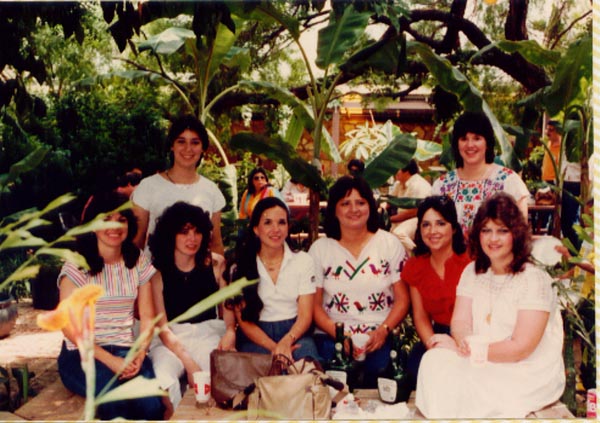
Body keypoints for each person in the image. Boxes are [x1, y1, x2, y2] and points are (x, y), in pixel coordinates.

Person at [415, 193, 565, 418]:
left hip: (523, 369)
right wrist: (463, 345)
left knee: (469, 384)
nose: (493, 239)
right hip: (478, 358)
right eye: (486, 230)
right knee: (432, 360)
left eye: (502, 231)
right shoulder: (472, 271)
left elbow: (521, 348)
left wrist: (470, 351)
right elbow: (460, 322)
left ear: (516, 234)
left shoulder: (535, 279)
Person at [56, 192, 165, 420]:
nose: (114, 227)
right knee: (115, 403)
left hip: (126, 350)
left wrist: (140, 352)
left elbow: (147, 316)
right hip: (82, 355)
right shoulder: (78, 265)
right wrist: (111, 361)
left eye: (121, 220)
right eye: (106, 219)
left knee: (152, 407)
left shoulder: (137, 260)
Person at [309, 176, 410, 388]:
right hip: (332, 337)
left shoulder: (389, 244)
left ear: (370, 207)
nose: (354, 209)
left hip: (379, 336)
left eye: (360, 202)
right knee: (331, 386)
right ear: (334, 209)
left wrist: (383, 330)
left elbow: (402, 300)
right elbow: (315, 306)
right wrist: (339, 335)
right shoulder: (320, 249)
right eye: (345, 203)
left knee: (382, 379)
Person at [147, 202, 236, 412]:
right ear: (171, 235)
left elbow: (227, 310)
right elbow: (163, 328)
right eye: (184, 232)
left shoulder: (215, 264)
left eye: (197, 231)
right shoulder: (156, 273)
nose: (192, 238)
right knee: (163, 380)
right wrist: (190, 365)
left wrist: (230, 332)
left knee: (220, 379)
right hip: (169, 341)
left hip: (207, 334)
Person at [231, 197, 319, 361]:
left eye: (281, 222)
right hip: (257, 336)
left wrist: (286, 342)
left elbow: (305, 315)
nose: (276, 229)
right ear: (256, 229)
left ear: (288, 227)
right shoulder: (241, 266)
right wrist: (275, 348)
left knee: (307, 367)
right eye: (268, 223)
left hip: (295, 333)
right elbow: (244, 321)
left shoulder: (303, 261)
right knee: (261, 371)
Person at [132, 115, 226, 255]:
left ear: (203, 148)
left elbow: (216, 244)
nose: (188, 149)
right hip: (153, 267)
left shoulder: (211, 190)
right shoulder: (148, 187)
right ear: (172, 145)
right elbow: (136, 241)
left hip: (197, 268)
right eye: (181, 142)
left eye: (195, 142)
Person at [403, 196, 470, 386]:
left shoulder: (471, 261)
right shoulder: (415, 266)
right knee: (417, 369)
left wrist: (459, 344)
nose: (433, 231)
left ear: (453, 227)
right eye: (426, 225)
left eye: (441, 223)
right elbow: (420, 316)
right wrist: (433, 345)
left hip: (470, 334)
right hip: (436, 334)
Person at [432, 111, 529, 237]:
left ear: (487, 143)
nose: (470, 145)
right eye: (464, 139)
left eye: (477, 138)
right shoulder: (442, 185)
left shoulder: (509, 181)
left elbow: (521, 233)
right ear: (456, 144)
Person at [547, 120, 582, 250]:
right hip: (564, 183)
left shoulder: (581, 141)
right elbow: (561, 164)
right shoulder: (565, 141)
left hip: (575, 182)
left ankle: (576, 251)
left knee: (571, 222)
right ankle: (572, 251)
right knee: (565, 223)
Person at [389, 159, 432, 251]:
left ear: (407, 171)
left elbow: (416, 211)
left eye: (397, 169)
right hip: (403, 219)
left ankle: (417, 254)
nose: (394, 172)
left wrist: (393, 218)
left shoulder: (418, 184)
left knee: (399, 233)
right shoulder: (399, 183)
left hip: (420, 218)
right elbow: (389, 201)